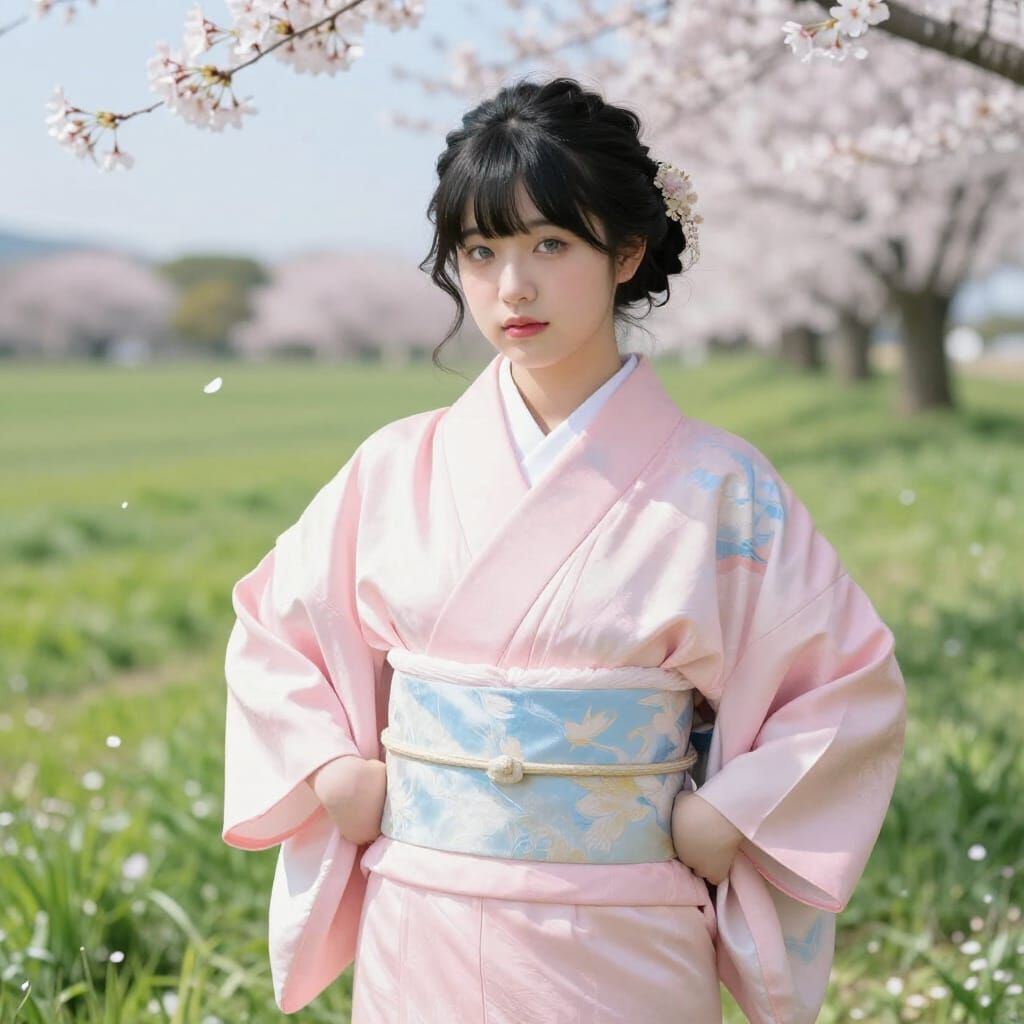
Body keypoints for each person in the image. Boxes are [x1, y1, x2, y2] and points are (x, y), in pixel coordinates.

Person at [221, 75, 906, 1023]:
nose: (513, 286)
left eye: (551, 243)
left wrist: (727, 812)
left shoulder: (720, 485)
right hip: (424, 911)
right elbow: (271, 630)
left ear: (626, 252)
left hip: (624, 923)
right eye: (481, 249)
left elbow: (848, 681)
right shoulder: (392, 467)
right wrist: (331, 771)